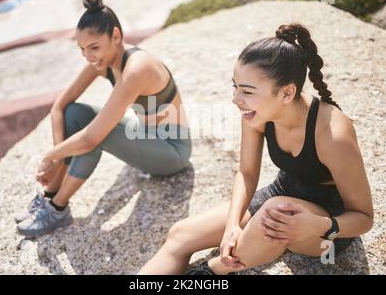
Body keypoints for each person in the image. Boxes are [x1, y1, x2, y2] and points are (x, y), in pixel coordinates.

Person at [138, 23, 374, 275]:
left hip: (329, 224)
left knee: (275, 213)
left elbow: (363, 217)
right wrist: (232, 225)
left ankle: (210, 272)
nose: (236, 99)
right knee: (180, 235)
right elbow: (247, 173)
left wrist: (319, 225)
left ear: (286, 93)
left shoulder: (333, 134)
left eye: (247, 91)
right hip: (282, 193)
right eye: (235, 86)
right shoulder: (256, 112)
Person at [15, 0, 192, 237]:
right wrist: (56, 166)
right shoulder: (102, 61)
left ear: (116, 36)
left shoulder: (136, 68)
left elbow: (91, 139)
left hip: (172, 152)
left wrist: (50, 155)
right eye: (82, 50)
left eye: (94, 47)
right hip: (143, 134)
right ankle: (51, 194)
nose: (89, 57)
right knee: (74, 113)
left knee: (96, 135)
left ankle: (58, 209)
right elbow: (59, 107)